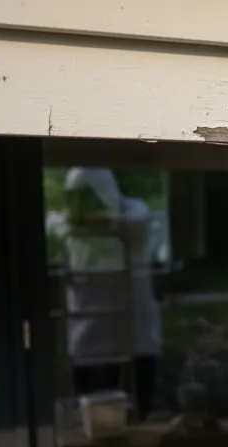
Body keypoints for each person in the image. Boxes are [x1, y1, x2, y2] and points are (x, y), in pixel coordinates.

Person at [55, 167, 163, 419]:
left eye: (86, 195)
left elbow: (133, 226)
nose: (80, 203)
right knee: (93, 395)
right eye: (74, 197)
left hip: (132, 316)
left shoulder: (134, 210)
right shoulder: (65, 223)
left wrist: (93, 221)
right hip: (88, 316)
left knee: (134, 388)